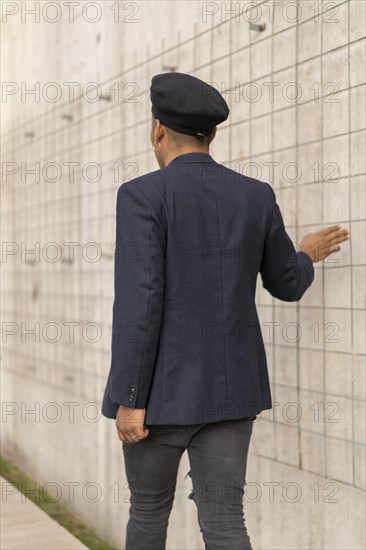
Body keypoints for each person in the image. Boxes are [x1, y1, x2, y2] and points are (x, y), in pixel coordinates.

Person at [101, 72, 350, 550]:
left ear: (157, 129)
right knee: (226, 525)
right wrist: (305, 255)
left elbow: (140, 300)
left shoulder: (141, 196)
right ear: (212, 133)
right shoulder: (256, 195)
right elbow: (287, 283)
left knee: (149, 515)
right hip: (231, 396)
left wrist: (130, 398)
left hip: (159, 399)